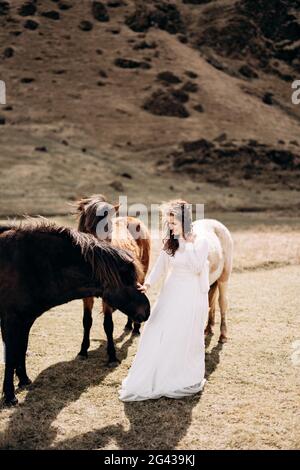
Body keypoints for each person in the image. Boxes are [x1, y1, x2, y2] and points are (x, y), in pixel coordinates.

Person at [118, 200, 209, 401]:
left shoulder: (200, 242)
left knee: (181, 334)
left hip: (190, 294)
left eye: (173, 223)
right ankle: (153, 373)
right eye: (168, 223)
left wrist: (186, 241)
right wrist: (148, 284)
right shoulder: (170, 242)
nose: (170, 227)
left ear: (184, 223)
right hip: (171, 291)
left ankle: (179, 375)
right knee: (155, 329)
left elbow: (195, 267)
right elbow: (161, 264)